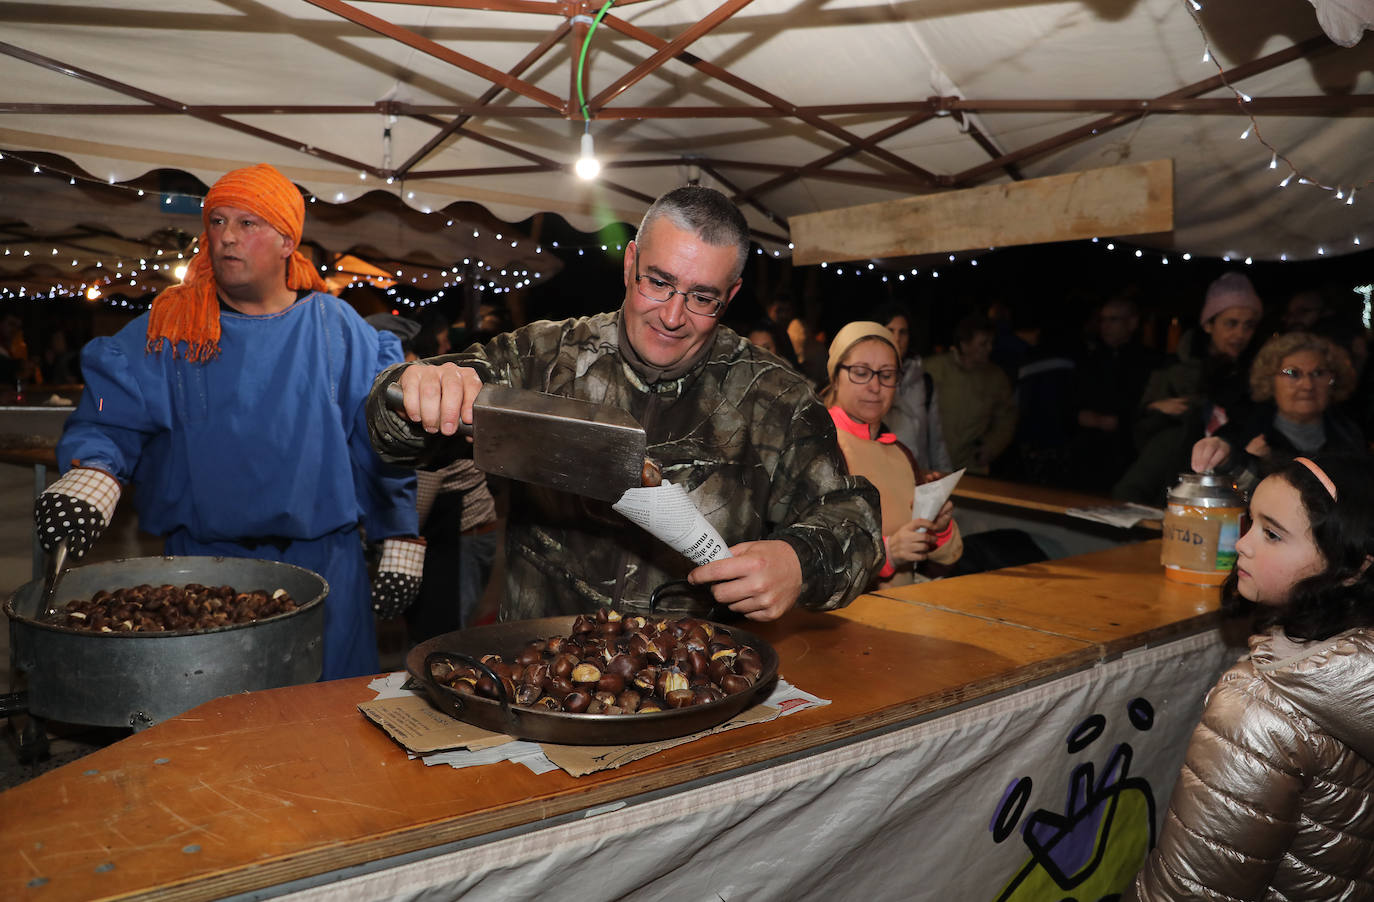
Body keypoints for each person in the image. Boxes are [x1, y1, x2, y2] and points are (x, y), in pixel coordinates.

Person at [367, 185, 883, 622]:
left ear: (731, 293)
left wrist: (799, 561)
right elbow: (386, 429)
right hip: (540, 671)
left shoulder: (776, 399)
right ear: (630, 261)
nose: (673, 315)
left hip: (697, 682)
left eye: (703, 297)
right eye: (658, 282)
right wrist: (418, 388)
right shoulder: (543, 357)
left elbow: (854, 521)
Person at [38, 163, 420, 679]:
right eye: (217, 222)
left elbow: (379, 438)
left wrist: (398, 532)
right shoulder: (171, 328)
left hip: (327, 567)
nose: (226, 238)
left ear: (288, 242)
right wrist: (94, 472)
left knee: (327, 727)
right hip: (202, 573)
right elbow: (112, 417)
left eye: (248, 224)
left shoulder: (338, 329)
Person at [1127, 454, 1374, 900]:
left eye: (1272, 534)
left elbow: (1194, 889)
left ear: (1353, 568)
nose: (1243, 544)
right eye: (1251, 523)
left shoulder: (1257, 708)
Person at [822, 321, 960, 588]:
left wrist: (938, 528)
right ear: (835, 377)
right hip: (842, 622)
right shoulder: (819, 447)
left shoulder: (901, 454)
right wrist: (888, 553)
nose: (875, 386)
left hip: (901, 614)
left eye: (886, 375)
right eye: (861, 372)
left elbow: (944, 561)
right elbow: (807, 555)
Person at [1112, 272, 1263, 504]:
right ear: (1209, 324)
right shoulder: (1176, 370)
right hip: (1170, 485)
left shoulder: (1259, 377)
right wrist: (1152, 409)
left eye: (1248, 325)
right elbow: (1137, 431)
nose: (1240, 334)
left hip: (1227, 492)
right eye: (1231, 323)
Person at [1191, 331, 1365, 494]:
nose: (1307, 385)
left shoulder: (1352, 438)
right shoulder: (1242, 433)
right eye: (1292, 373)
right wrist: (1230, 459)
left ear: (1333, 381)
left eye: (1319, 373)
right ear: (1270, 380)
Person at [1072, 295, 1161, 492]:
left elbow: (1149, 406)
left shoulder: (1148, 362)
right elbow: (1072, 399)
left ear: (1132, 323)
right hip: (1087, 454)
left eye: (1113, 320)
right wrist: (1078, 416)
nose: (1106, 326)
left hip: (1128, 455)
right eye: (1102, 320)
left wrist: (1120, 420)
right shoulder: (1089, 359)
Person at [924, 313, 1017, 475]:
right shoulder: (933, 369)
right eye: (983, 344)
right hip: (931, 464)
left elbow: (1006, 418)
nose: (989, 348)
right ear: (965, 344)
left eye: (991, 343)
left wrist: (991, 446)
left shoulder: (996, 377)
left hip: (971, 466)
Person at [870, 301, 953, 473]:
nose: (897, 338)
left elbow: (936, 441)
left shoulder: (923, 382)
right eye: (890, 330)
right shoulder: (866, 380)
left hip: (918, 476)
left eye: (903, 332)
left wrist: (944, 479)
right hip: (878, 475)